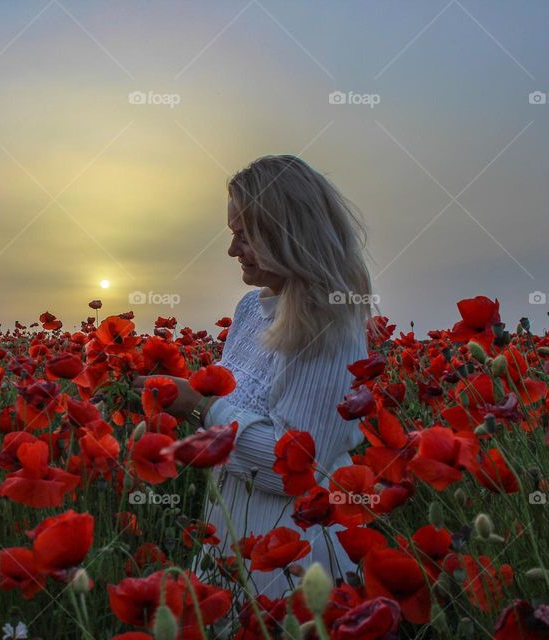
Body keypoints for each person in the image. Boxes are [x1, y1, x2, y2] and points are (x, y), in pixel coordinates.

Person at [135, 154, 373, 600]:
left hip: (293, 555)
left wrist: (200, 406)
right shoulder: (250, 310)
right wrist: (168, 390)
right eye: (232, 234)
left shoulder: (329, 323)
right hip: (228, 533)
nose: (231, 250)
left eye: (244, 235)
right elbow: (233, 408)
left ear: (288, 236)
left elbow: (295, 470)